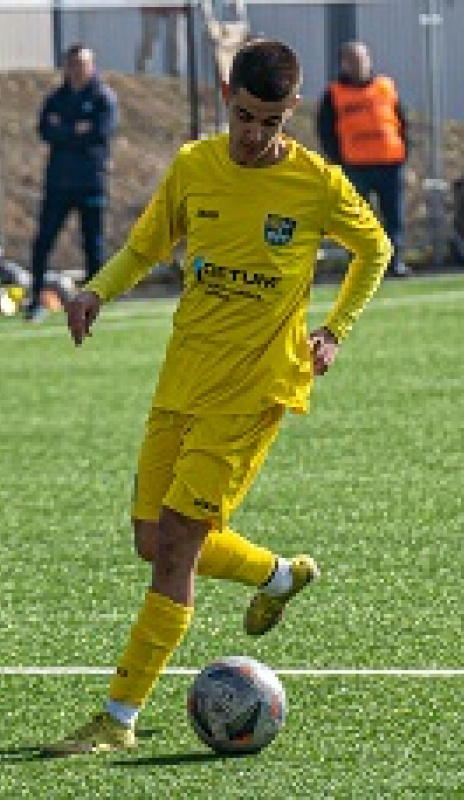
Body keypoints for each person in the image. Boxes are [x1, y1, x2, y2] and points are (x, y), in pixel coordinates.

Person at [42, 38, 391, 757]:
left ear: (290, 111)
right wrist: (95, 292)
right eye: (243, 116)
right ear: (227, 96)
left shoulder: (316, 184)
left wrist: (334, 331)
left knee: (175, 547)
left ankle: (118, 717)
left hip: (255, 389)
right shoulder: (195, 167)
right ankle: (280, 574)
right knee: (152, 541)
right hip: (182, 380)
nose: (255, 134)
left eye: (270, 121)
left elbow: (374, 247)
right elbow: (145, 246)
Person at [27, 44, 118, 322]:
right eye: (73, 63)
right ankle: (36, 301)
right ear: (66, 66)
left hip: (91, 182)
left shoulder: (103, 98)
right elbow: (45, 130)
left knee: (93, 246)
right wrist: (75, 130)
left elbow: (99, 133)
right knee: (42, 243)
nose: (78, 69)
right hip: (58, 183)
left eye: (83, 63)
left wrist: (64, 131)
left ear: (92, 66)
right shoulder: (56, 98)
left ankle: (93, 303)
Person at [316, 41, 410, 278]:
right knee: (358, 219)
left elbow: (401, 121)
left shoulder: (385, 86)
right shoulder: (334, 93)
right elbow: (326, 129)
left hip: (389, 162)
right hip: (356, 165)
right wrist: (339, 159)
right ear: (344, 63)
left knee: (393, 217)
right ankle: (360, 265)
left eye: (363, 58)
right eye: (353, 60)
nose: (360, 64)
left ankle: (394, 262)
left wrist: (404, 151)